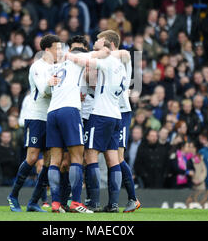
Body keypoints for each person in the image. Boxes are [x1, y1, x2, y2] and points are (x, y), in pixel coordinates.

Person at [66, 34, 128, 213]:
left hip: (100, 115)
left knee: (90, 156)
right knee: (112, 159)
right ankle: (114, 204)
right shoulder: (120, 66)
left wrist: (68, 56)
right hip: (116, 116)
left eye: (97, 47)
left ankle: (93, 202)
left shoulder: (107, 61)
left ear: (107, 49)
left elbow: (83, 61)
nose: (94, 50)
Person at [7, 34, 59, 213]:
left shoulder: (58, 67)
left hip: (51, 117)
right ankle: (13, 196)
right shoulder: (37, 66)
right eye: (57, 48)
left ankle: (33, 202)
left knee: (49, 160)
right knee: (32, 157)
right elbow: (43, 90)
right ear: (47, 49)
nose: (59, 51)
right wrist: (51, 84)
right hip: (36, 116)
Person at [45, 40, 93, 213]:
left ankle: (56, 203)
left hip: (52, 112)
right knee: (77, 158)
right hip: (69, 111)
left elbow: (47, 90)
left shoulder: (55, 68)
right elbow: (96, 58)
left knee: (55, 160)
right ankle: (75, 202)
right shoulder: (77, 60)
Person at [96, 30, 141, 212]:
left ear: (110, 44)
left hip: (121, 112)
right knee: (109, 158)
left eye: (101, 43)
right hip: (108, 111)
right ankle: (111, 203)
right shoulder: (108, 61)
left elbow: (124, 53)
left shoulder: (122, 56)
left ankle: (132, 198)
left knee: (118, 158)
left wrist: (95, 54)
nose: (98, 46)